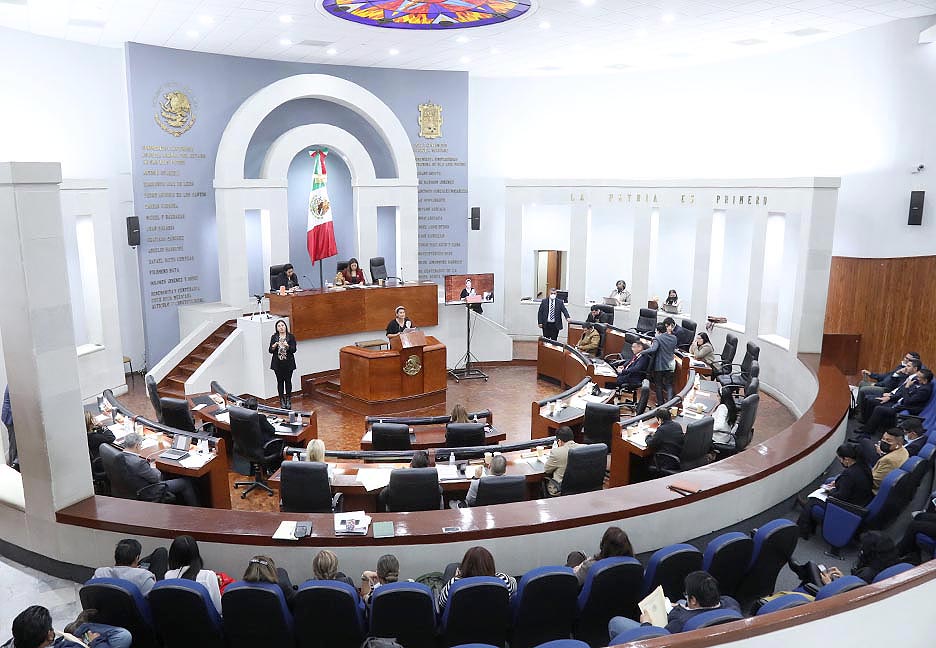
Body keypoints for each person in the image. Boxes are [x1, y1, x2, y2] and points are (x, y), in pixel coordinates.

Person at [607, 571, 740, 638]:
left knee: (615, 622)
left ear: (694, 600)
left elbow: (658, 640)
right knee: (681, 602)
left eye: (687, 595)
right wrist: (682, 607)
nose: (686, 597)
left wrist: (646, 624)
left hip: (666, 635)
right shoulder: (731, 604)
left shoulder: (680, 621)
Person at [796, 443, 873, 539]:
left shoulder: (849, 474)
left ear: (847, 459)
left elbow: (840, 497)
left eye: (840, 459)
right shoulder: (864, 466)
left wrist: (830, 491)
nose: (840, 461)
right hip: (861, 501)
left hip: (848, 506)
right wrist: (838, 483)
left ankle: (802, 531)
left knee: (812, 501)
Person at [119, 432, 200, 506]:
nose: (141, 447)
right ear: (137, 445)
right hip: (149, 490)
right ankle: (196, 510)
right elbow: (156, 478)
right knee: (185, 482)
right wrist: (152, 466)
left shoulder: (119, 456)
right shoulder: (139, 463)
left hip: (132, 488)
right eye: (140, 445)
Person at [3, 605, 131, 648]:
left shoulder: (14, 642)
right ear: (49, 635)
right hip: (85, 643)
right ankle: (78, 628)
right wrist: (92, 642)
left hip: (66, 642)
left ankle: (76, 629)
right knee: (123, 636)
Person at [437, 547, 517, 611]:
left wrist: (457, 577)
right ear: (490, 564)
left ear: (465, 566)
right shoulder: (503, 579)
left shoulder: (454, 584)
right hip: (495, 624)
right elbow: (515, 585)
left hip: (460, 625)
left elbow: (441, 603)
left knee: (451, 568)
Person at [860, 368, 932, 438]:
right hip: (898, 402)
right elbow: (902, 392)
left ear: (925, 380)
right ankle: (866, 426)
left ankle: (867, 433)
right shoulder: (917, 383)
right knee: (873, 401)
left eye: (918, 377)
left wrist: (907, 387)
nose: (916, 378)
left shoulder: (925, 390)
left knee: (879, 409)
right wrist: (890, 397)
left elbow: (908, 401)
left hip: (905, 408)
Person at [164, 535, 222, 614]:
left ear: (172, 556)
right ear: (196, 554)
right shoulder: (208, 576)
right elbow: (218, 609)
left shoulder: (168, 576)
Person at [93, 538, 169, 595]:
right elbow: (156, 599)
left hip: (110, 607)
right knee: (161, 552)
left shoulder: (99, 574)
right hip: (137, 609)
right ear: (136, 558)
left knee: (159, 553)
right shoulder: (144, 578)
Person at [858, 358, 921, 422]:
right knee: (867, 397)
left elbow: (902, 392)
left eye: (908, 366)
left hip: (893, 398)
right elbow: (891, 380)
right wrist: (897, 373)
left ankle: (867, 421)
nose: (905, 368)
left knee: (870, 399)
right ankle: (864, 419)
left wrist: (890, 396)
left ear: (915, 369)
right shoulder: (906, 375)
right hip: (891, 393)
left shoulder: (914, 380)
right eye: (906, 365)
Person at [859, 428, 910, 493]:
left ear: (898, 444)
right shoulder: (904, 451)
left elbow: (874, 482)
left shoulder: (888, 460)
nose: (884, 442)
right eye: (883, 438)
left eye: (888, 440)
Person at [268, 319, 297, 409]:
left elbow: (294, 350)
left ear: (285, 326)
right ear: (276, 328)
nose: (281, 327)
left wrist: (287, 346)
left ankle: (288, 399)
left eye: (282, 325)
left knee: (288, 381)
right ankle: (281, 400)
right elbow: (270, 350)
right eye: (279, 326)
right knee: (280, 382)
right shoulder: (274, 337)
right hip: (277, 364)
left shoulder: (290, 337)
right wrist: (273, 346)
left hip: (288, 363)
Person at [647, 322, 677, 405]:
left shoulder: (657, 338)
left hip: (660, 365)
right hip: (671, 364)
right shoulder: (674, 338)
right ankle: (670, 404)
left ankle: (661, 404)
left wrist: (642, 352)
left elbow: (653, 349)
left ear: (658, 331)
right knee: (669, 385)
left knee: (659, 385)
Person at [3, 385, 16, 470]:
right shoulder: (13, 383)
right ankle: (12, 466)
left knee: (14, 442)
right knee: (14, 443)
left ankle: (14, 462)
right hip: (9, 417)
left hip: (10, 416)